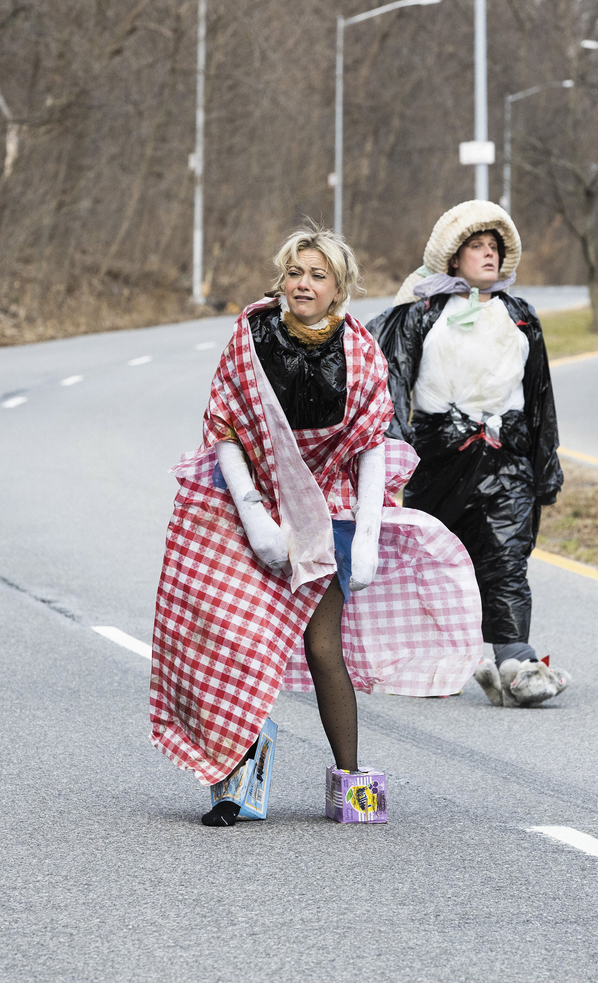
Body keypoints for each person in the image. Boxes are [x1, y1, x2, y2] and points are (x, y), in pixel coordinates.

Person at [150, 224, 482, 826]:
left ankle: (353, 787)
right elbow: (223, 429)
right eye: (295, 272)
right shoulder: (250, 337)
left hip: (326, 508)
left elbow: (371, 446)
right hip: (247, 501)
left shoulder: (360, 352)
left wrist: (372, 536)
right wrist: (254, 517)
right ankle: (233, 789)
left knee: (323, 644)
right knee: (238, 645)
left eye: (318, 275)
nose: (303, 284)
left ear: (340, 287)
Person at [369, 201, 569, 707]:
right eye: (477, 247)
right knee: (435, 559)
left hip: (509, 459)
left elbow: (541, 395)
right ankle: (439, 656)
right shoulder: (421, 314)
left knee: (507, 557)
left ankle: (515, 661)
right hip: (440, 459)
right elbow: (390, 383)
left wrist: (545, 468)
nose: (488, 255)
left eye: (494, 249)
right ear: (454, 258)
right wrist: (395, 458)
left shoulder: (521, 317)